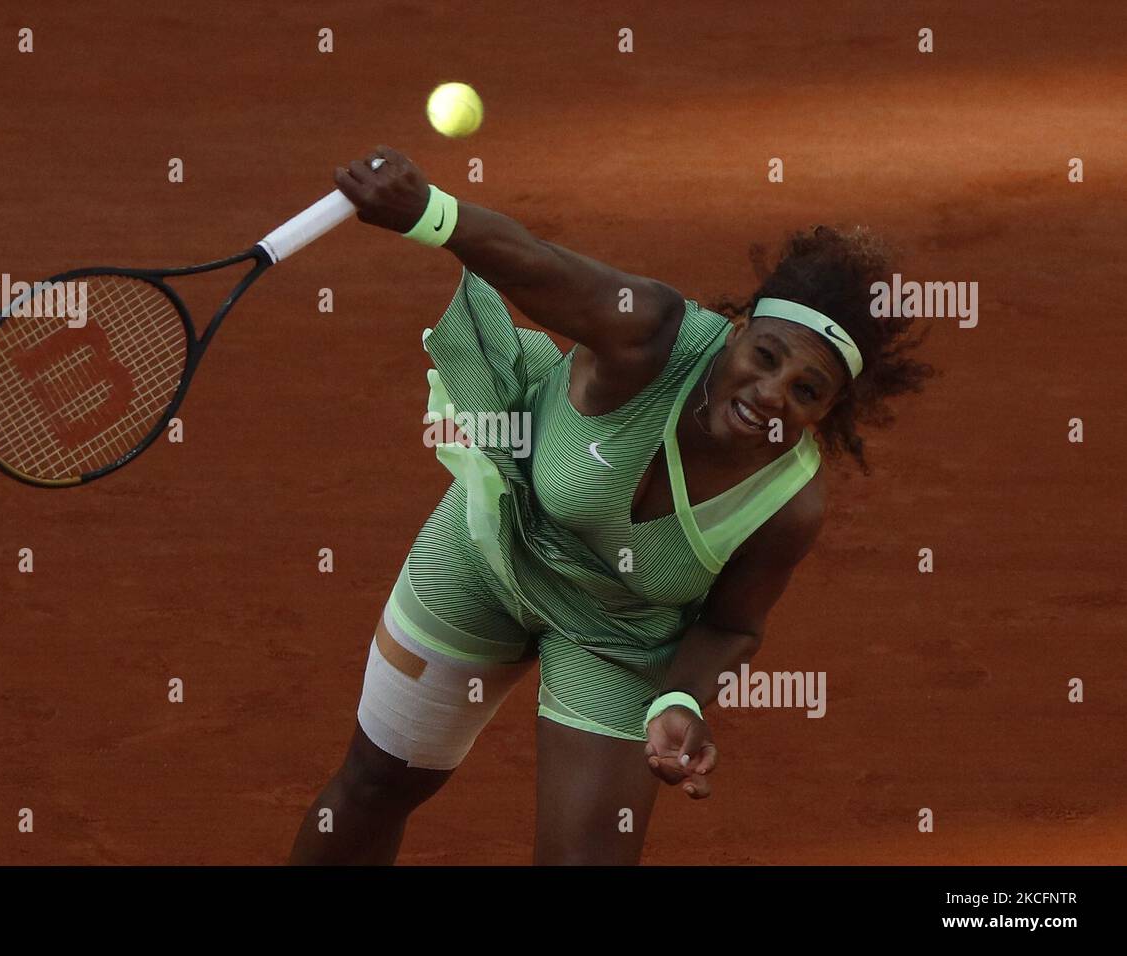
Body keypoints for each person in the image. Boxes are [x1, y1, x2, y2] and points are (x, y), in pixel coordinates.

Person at [288, 145, 935, 865]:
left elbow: (731, 625)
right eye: (767, 356)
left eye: (807, 391)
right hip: (490, 552)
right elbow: (536, 264)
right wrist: (432, 214)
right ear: (737, 330)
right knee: (379, 781)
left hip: (621, 637)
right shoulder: (647, 334)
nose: (772, 394)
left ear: (828, 413)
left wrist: (680, 701)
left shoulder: (787, 506)